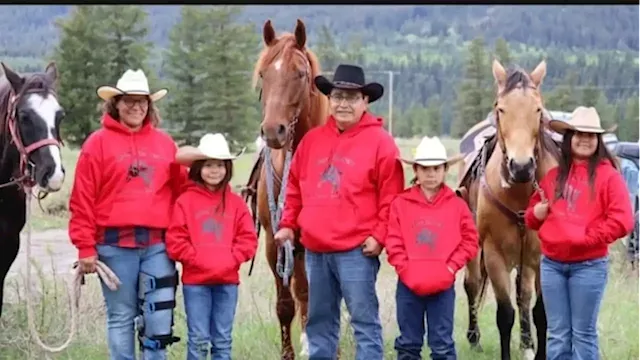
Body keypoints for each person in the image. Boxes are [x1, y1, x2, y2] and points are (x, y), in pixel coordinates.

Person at [273, 64, 405, 359]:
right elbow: (294, 187)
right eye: (337, 96)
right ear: (329, 100)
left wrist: (380, 236)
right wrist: (287, 224)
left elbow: (391, 197)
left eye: (351, 97)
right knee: (319, 322)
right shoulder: (312, 141)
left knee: (364, 322)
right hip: (316, 251)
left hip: (356, 250)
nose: (343, 103)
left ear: (365, 101)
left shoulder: (382, 143)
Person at [68, 69, 188, 359]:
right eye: (129, 101)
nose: (136, 107)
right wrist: (85, 246)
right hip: (113, 247)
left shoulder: (165, 144)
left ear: (150, 105)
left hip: (157, 246)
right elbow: (82, 199)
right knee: (121, 318)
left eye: (142, 101)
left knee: (158, 321)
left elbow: (183, 193)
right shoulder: (96, 144)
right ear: (116, 104)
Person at [525, 106, 634, 360]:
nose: (584, 139)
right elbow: (531, 217)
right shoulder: (553, 177)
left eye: (590, 135)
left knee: (583, 334)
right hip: (552, 266)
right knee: (558, 333)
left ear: (598, 140)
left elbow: (622, 220)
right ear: (569, 138)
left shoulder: (609, 177)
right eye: (578, 133)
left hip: (588, 266)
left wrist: (586, 238)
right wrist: (536, 214)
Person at [166, 133, 257, 360]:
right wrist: (197, 259)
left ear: (227, 168)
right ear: (198, 168)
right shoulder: (185, 201)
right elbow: (175, 239)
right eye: (208, 165)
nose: (214, 171)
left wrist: (231, 259)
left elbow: (248, 239)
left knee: (223, 340)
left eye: (219, 165)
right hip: (196, 284)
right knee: (197, 338)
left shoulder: (236, 204)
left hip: (227, 283)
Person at [386, 136, 478, 360]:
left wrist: (450, 268)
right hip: (408, 286)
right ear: (415, 170)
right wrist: (405, 269)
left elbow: (470, 239)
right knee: (408, 343)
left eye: (436, 168)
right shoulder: (400, 204)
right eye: (425, 168)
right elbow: (393, 240)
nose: (430, 174)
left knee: (442, 345)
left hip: (442, 288)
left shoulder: (456, 205)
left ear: (445, 169)